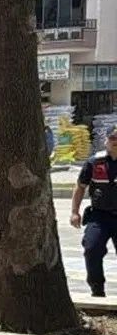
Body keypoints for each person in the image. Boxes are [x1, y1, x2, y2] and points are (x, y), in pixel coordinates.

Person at [71, 127, 117, 297]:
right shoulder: (94, 162)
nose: (116, 141)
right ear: (106, 140)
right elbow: (80, 186)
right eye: (113, 138)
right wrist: (74, 212)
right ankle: (97, 290)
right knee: (92, 248)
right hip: (100, 216)